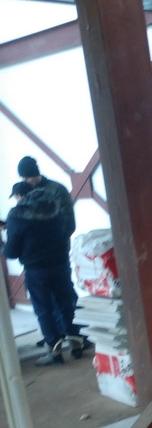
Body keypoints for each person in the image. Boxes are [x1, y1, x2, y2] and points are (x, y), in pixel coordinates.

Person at [3, 180, 88, 366]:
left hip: (36, 270)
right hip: (61, 265)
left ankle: (54, 351)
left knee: (44, 309)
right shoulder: (55, 209)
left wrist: (3, 244)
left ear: (19, 196)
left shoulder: (17, 216)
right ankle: (76, 344)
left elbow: (11, 252)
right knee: (66, 304)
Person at [17, 156, 76, 242]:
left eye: (27, 177)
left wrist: (52, 243)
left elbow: (69, 223)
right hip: (33, 246)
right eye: (22, 177)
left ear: (35, 174)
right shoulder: (26, 192)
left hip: (56, 245)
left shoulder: (57, 190)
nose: (24, 180)